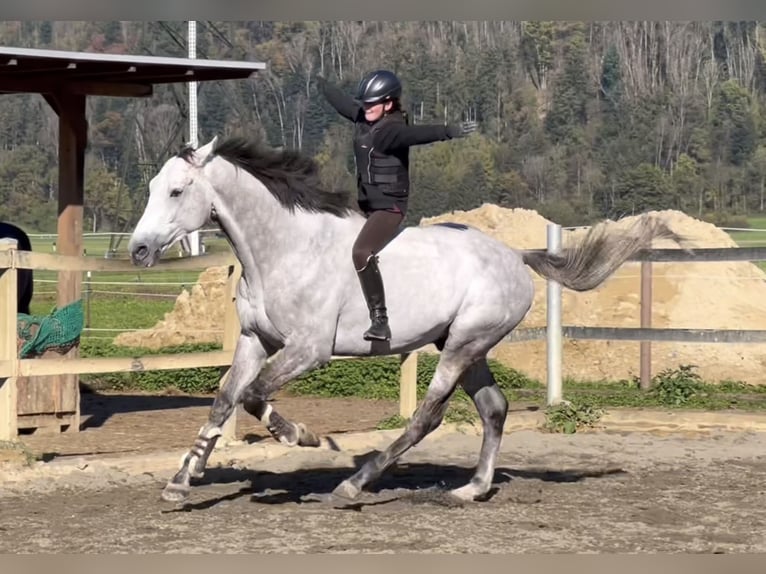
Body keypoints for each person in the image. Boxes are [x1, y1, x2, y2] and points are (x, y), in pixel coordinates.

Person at [317, 69, 478, 342]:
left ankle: (380, 321)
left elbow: (416, 135)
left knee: (361, 251)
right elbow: (342, 102)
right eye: (364, 103)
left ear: (388, 104)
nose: (365, 108)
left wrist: (448, 132)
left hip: (389, 207)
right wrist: (320, 82)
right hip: (366, 205)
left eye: (371, 104)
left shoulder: (391, 130)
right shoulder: (363, 118)